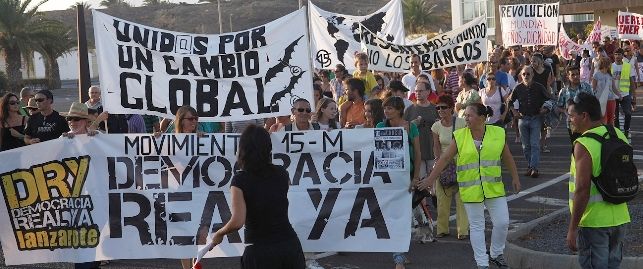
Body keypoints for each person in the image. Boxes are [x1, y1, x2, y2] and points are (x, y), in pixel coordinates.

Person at [418, 103, 521, 269]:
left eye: (469, 115)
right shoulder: (459, 135)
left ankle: (496, 254)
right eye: (464, 115)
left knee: (502, 222)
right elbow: (444, 159)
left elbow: (507, 156)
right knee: (477, 226)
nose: (465, 118)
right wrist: (430, 179)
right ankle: (482, 263)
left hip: (494, 188)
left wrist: (515, 177)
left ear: (482, 118)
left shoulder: (498, 132)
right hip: (471, 189)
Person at [206, 125, 305, 269]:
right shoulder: (282, 173)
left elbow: (238, 221)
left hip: (260, 250)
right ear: (268, 148)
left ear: (242, 149)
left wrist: (219, 234)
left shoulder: (239, 181)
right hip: (289, 245)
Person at [565, 92, 630, 269]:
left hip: (594, 221)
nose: (570, 120)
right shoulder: (617, 134)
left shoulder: (584, 144)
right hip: (620, 217)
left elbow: (582, 189)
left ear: (584, 116)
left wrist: (573, 227)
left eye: (572, 116)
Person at [376, 96, 421, 269]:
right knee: (392, 216)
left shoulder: (411, 127)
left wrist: (415, 178)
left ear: (400, 109)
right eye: (385, 108)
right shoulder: (380, 127)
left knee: (403, 217)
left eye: (390, 108)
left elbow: (417, 155)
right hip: (386, 178)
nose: (386, 111)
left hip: (405, 177)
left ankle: (400, 253)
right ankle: (399, 256)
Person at [59, 102, 100, 269]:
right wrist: (64, 144)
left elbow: (122, 149)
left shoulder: (98, 137)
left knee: (95, 242)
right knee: (81, 243)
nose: (72, 122)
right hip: (74, 200)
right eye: (70, 119)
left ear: (86, 121)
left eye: (76, 119)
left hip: (97, 199)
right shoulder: (63, 139)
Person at [430, 95, 468, 240]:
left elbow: (466, 144)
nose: (440, 110)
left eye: (443, 107)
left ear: (452, 108)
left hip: (461, 163)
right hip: (444, 164)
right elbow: (436, 147)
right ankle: (442, 229)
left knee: (461, 199)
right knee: (442, 199)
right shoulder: (436, 126)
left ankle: (463, 230)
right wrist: (438, 165)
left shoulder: (462, 123)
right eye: (438, 107)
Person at [509, 66, 550, 178]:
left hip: (536, 118)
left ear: (532, 75)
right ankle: (530, 166)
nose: (526, 76)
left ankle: (534, 168)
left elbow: (550, 99)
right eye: (524, 74)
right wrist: (514, 112)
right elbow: (509, 101)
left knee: (535, 144)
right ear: (521, 76)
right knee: (525, 146)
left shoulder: (539, 87)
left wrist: (545, 108)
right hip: (523, 119)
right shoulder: (518, 88)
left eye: (528, 74)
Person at [404, 81, 438, 178]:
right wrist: (412, 124)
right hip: (417, 153)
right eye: (416, 91)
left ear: (428, 92)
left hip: (433, 152)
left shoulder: (435, 109)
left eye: (421, 91)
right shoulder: (409, 110)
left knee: (434, 181)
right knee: (420, 182)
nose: (417, 93)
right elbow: (403, 130)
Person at [557, 67, 594, 144]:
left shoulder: (587, 87)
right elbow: (559, 106)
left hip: (586, 122)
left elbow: (593, 102)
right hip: (572, 124)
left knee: (588, 145)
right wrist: (565, 111)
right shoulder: (564, 91)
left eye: (577, 74)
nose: (576, 76)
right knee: (576, 145)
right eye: (573, 75)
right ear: (568, 76)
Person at [612, 48, 637, 138]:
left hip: (625, 94)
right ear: (613, 55)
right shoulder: (610, 66)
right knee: (615, 117)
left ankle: (626, 129)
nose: (618, 56)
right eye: (616, 54)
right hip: (614, 95)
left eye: (620, 54)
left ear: (623, 56)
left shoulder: (627, 66)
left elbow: (632, 82)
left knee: (628, 113)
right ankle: (618, 132)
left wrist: (634, 96)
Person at [592, 57, 620, 126]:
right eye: (608, 63)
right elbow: (593, 88)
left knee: (611, 119)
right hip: (600, 100)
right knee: (603, 119)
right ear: (603, 64)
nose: (609, 65)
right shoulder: (596, 75)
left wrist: (619, 95)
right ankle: (604, 134)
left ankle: (610, 134)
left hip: (611, 99)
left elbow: (614, 88)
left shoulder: (610, 75)